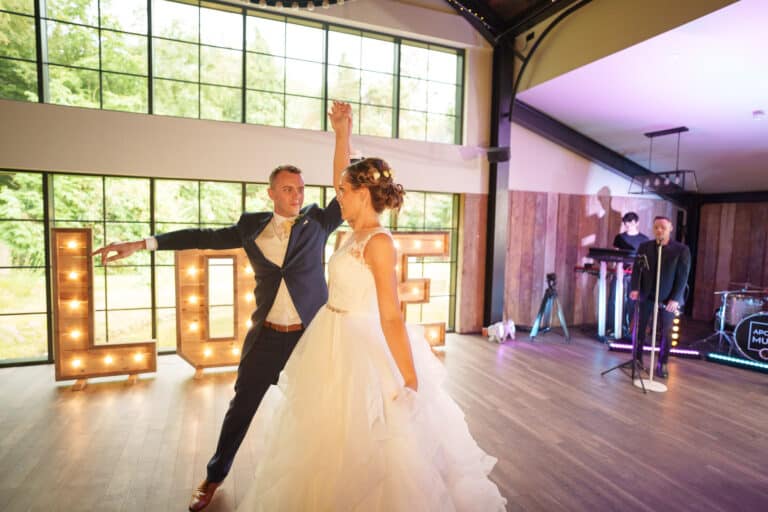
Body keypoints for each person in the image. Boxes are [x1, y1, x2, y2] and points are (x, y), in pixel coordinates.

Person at [92, 101, 354, 511]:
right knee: (241, 409)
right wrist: (141, 244)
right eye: (288, 188)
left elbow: (345, 185)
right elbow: (201, 235)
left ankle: (327, 480)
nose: (296, 194)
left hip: (310, 336)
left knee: (322, 408)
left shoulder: (318, 222)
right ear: (271, 193)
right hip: (267, 337)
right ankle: (213, 478)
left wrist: (342, 134)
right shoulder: (251, 226)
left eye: (301, 188)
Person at [236, 157, 507, 511]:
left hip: (360, 344)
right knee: (325, 439)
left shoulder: (379, 242)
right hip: (330, 337)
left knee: (375, 440)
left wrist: (410, 378)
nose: (339, 198)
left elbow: (391, 316)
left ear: (363, 193)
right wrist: (341, 133)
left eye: (344, 191)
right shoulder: (349, 235)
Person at [629, 216, 691, 378]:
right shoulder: (645, 247)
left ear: (670, 228)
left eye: (663, 227)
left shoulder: (681, 250)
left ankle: (662, 362)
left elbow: (683, 277)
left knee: (667, 331)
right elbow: (637, 269)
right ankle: (637, 358)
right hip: (647, 294)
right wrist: (635, 288)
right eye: (656, 227)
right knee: (640, 327)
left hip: (669, 297)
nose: (659, 230)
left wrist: (676, 298)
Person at [606, 212, 650, 338]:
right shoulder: (619, 238)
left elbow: (646, 259)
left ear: (637, 223)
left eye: (631, 223)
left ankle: (632, 329)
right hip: (620, 272)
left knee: (633, 301)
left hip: (636, 275)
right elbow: (615, 255)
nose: (629, 226)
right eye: (626, 224)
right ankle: (613, 327)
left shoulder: (644, 240)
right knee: (614, 299)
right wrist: (615, 267)